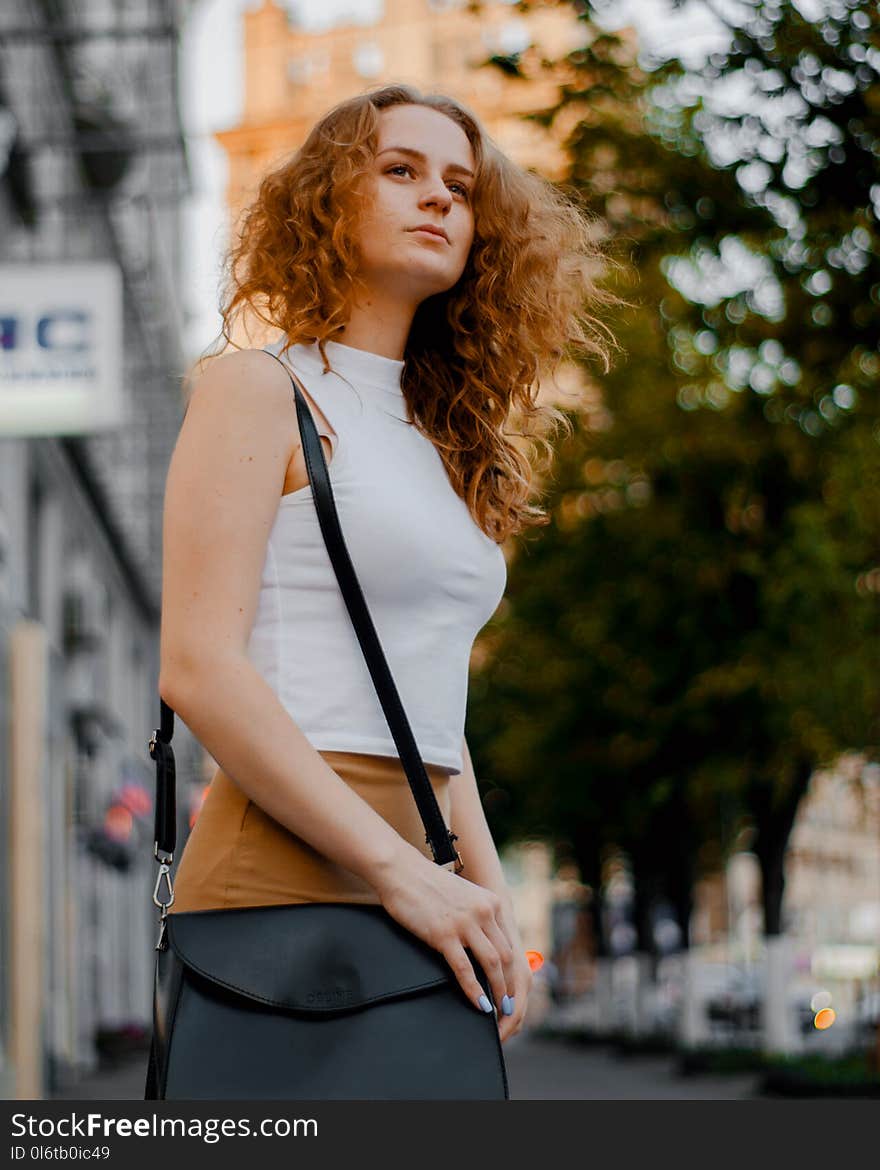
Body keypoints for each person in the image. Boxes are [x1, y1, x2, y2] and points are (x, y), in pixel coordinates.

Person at [158, 83, 622, 1054]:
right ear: (328, 200)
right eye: (400, 171)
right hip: (281, 871)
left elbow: (432, 716)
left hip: (431, 877)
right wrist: (402, 874)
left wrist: (489, 901)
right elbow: (198, 667)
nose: (439, 198)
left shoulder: (451, 447)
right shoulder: (258, 388)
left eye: (460, 184)